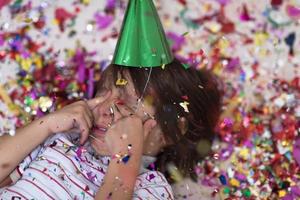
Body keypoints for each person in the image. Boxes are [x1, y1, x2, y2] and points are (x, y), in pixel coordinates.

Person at [0, 0, 223, 199]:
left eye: (125, 103)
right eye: (103, 94)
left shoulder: (153, 189)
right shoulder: (60, 143)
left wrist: (125, 156)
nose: (105, 109)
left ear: (171, 130)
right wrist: (47, 125)